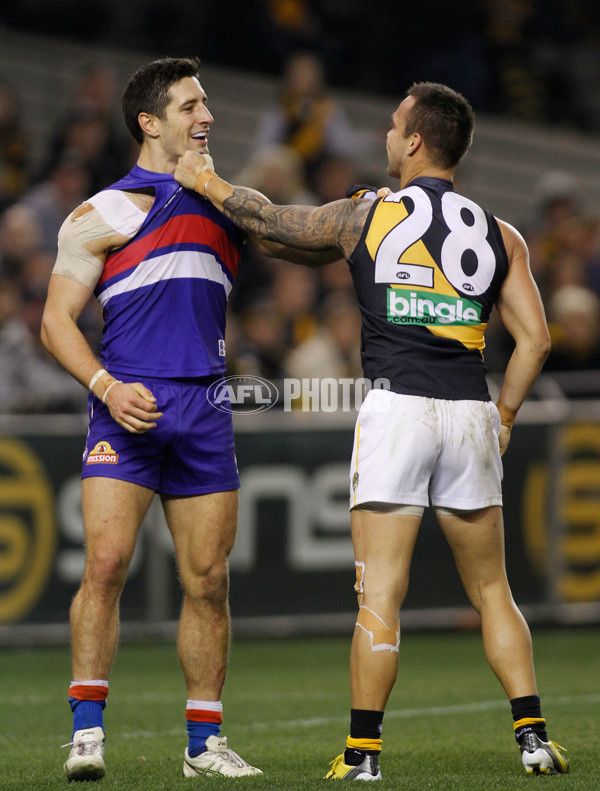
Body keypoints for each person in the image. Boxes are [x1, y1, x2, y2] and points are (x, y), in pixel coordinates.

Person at [174, 81, 570, 780]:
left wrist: (205, 178)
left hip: (397, 410)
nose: (386, 137)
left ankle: (364, 754)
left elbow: (273, 223)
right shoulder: (500, 231)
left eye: (393, 126)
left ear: (416, 141)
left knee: (380, 592)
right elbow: (535, 340)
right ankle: (534, 736)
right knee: (493, 591)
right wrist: (503, 416)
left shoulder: (368, 214)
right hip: (471, 409)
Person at [41, 56, 338, 782]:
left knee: (208, 581)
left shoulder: (229, 203)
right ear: (149, 122)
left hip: (206, 406)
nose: (206, 117)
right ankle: (86, 733)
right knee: (106, 566)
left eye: (206, 105)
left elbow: (311, 240)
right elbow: (54, 322)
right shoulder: (106, 210)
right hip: (127, 406)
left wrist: (372, 213)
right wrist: (107, 388)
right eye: (189, 107)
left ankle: (204, 742)